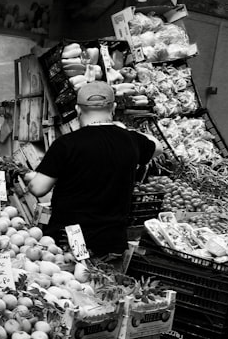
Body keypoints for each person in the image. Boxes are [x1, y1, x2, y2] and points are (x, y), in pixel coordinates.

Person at [27, 81, 162, 259]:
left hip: (69, 243)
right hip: (112, 243)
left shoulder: (67, 144)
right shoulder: (131, 141)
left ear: (77, 109)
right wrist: (124, 130)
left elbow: (38, 188)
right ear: (113, 108)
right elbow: (158, 147)